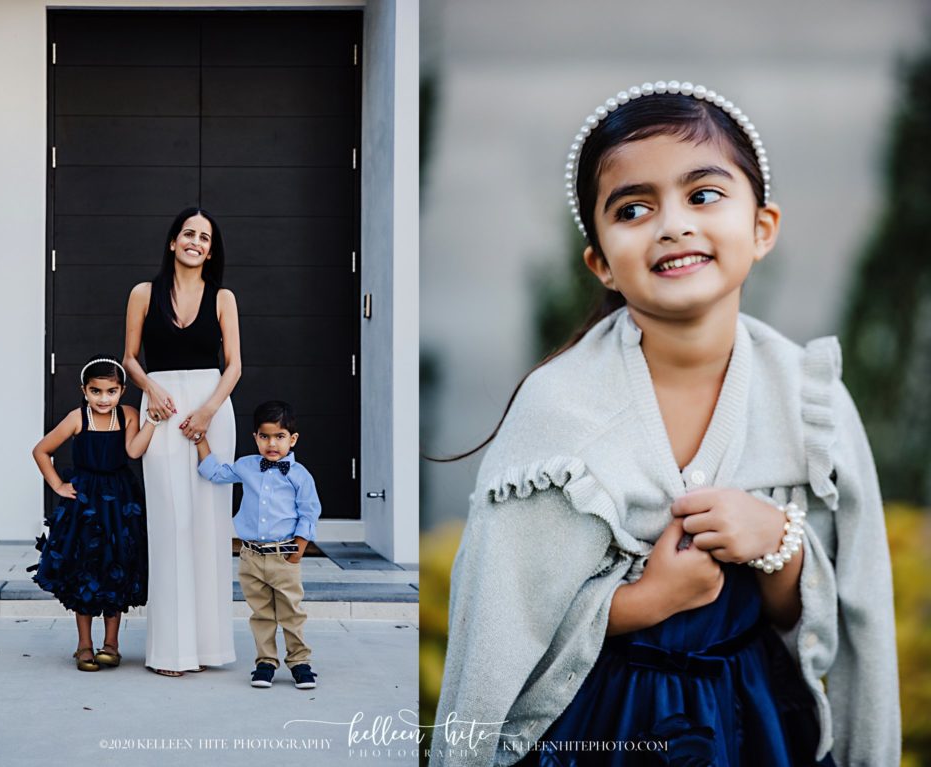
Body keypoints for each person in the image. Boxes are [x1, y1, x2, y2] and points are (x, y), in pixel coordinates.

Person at [432, 82, 899, 766]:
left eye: (703, 194)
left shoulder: (810, 399)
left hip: (758, 724)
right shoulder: (556, 409)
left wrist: (780, 542)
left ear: (763, 227)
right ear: (601, 263)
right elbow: (499, 631)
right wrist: (641, 601)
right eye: (633, 208)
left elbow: (850, 622)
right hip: (601, 727)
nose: (673, 223)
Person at [123, 207, 241, 677]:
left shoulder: (223, 298)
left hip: (212, 408)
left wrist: (209, 410)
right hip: (162, 408)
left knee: (210, 528)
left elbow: (234, 364)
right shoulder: (143, 293)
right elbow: (129, 357)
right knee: (171, 526)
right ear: (173, 242)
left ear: (211, 251)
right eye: (188, 233)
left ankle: (210, 648)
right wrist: (150, 388)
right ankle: (172, 651)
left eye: (205, 237)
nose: (196, 241)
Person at [29, 355, 154, 671]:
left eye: (111, 391)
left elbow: (134, 451)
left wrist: (152, 421)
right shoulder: (76, 418)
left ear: (122, 390)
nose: (103, 398)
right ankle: (83, 644)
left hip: (119, 502)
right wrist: (57, 484)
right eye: (96, 391)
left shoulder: (128, 415)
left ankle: (111, 643)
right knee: (83, 568)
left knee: (117, 566)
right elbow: (41, 450)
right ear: (84, 390)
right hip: (84, 503)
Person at [196, 400, 321, 690]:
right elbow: (215, 473)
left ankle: (300, 663)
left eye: (279, 437)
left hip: (284, 555)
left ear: (293, 439)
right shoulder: (247, 467)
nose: (272, 444)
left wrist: (298, 551)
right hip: (251, 556)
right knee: (261, 613)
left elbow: (309, 513)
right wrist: (201, 441)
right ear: (255, 438)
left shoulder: (300, 476)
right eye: (264, 436)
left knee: (291, 612)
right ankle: (265, 662)